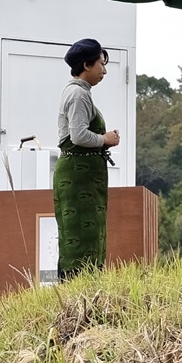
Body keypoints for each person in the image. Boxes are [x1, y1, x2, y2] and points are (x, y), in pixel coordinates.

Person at [52, 38, 121, 280]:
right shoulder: (78, 95)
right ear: (86, 65)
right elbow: (78, 135)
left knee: (86, 232)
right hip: (77, 175)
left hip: (83, 175)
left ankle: (84, 285)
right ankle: (78, 287)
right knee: (79, 236)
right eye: (101, 64)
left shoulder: (80, 92)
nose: (104, 70)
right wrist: (105, 139)